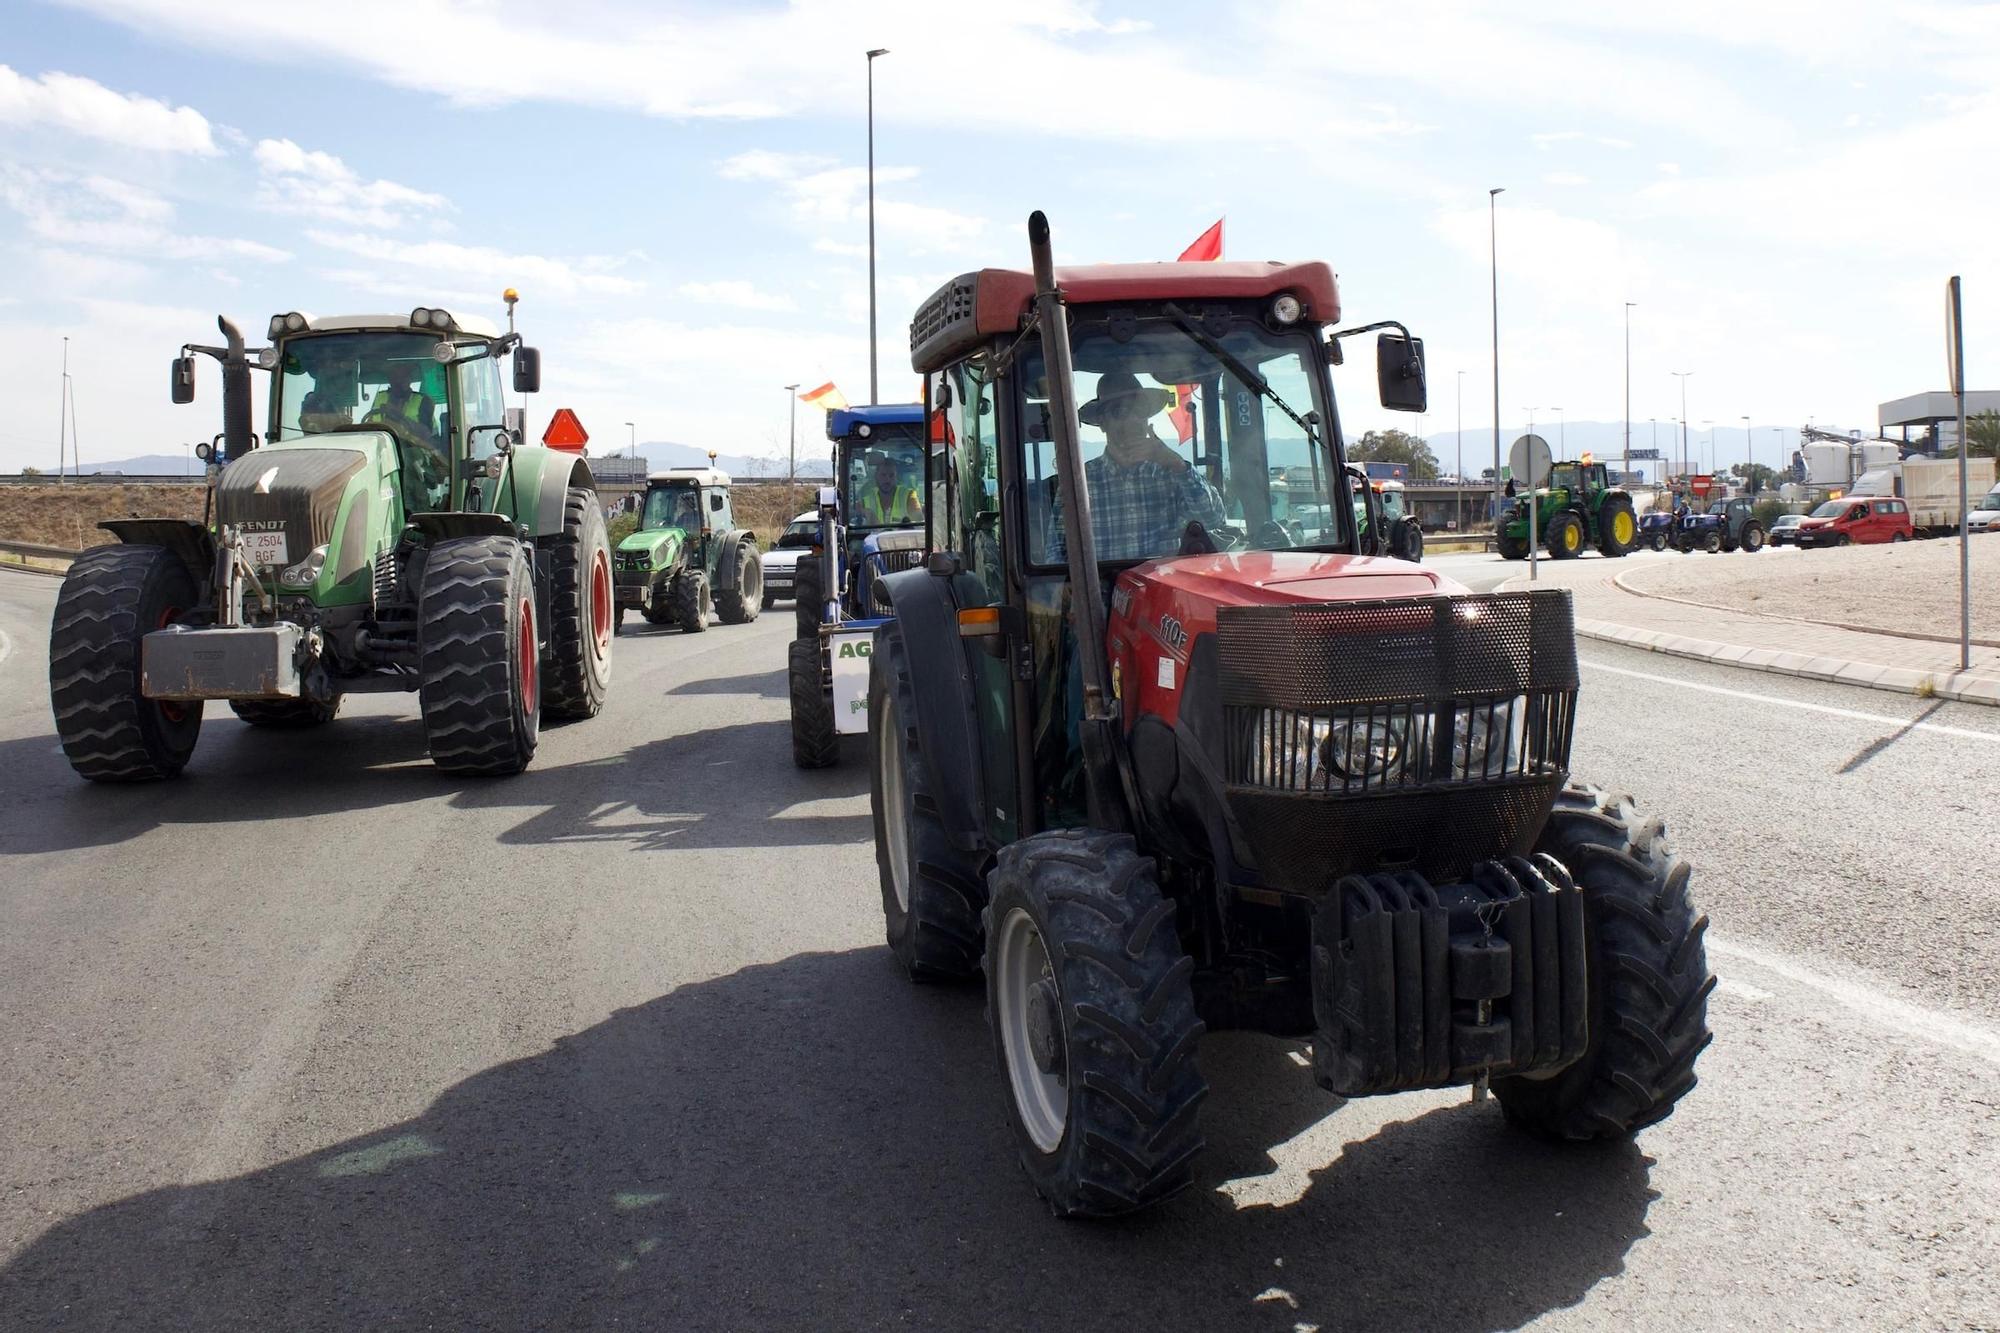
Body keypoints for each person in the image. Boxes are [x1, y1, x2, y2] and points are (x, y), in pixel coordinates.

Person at [1049, 370, 1222, 561]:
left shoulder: (1172, 473)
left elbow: (1212, 519)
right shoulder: (1078, 481)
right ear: (1102, 422)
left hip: (1160, 588)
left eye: (1139, 410)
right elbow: (1056, 548)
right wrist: (1067, 586)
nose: (1132, 420)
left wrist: (1177, 464)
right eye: (1119, 412)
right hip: (1099, 590)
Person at [853, 449, 923, 526]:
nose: (887, 480)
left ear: (896, 477)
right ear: (876, 476)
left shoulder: (908, 496)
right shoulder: (864, 500)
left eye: (891, 475)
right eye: (883, 475)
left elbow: (918, 523)